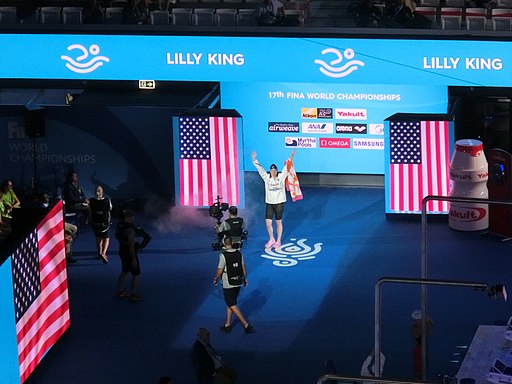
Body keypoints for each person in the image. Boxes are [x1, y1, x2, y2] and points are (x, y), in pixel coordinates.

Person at [252, 149, 296, 249]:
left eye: (274, 170)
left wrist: (292, 156)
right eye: (271, 170)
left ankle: (278, 240)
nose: (273, 172)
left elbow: (287, 166)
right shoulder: (267, 178)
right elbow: (260, 170)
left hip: (279, 203)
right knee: (268, 222)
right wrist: (255, 160)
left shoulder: (281, 177)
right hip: (270, 204)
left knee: (278, 222)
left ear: (277, 171)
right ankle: (271, 239)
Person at [214, 236, 253, 334]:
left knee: (231, 303)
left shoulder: (223, 255)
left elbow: (220, 270)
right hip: (238, 281)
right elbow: (243, 267)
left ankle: (246, 325)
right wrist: (245, 278)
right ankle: (228, 324)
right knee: (230, 302)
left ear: (224, 243)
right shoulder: (239, 253)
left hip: (228, 283)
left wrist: (216, 278)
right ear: (231, 243)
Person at [115, 209, 143, 302]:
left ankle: (120, 291)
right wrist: (134, 259)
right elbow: (131, 244)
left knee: (125, 271)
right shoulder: (130, 229)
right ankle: (133, 294)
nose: (133, 218)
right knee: (136, 274)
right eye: (131, 216)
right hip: (129, 252)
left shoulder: (119, 225)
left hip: (122, 250)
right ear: (128, 217)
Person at [89, 185, 112, 264]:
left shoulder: (91, 200)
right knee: (106, 238)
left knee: (98, 239)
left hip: (96, 223)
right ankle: (103, 253)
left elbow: (90, 211)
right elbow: (110, 209)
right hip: (105, 222)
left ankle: (99, 253)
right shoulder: (107, 200)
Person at [411, 309, 434, 378]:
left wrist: (427, 320)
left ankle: (421, 379)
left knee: (422, 368)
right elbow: (421, 334)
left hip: (422, 349)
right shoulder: (415, 328)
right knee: (419, 369)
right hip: (419, 350)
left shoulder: (420, 326)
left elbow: (431, 327)